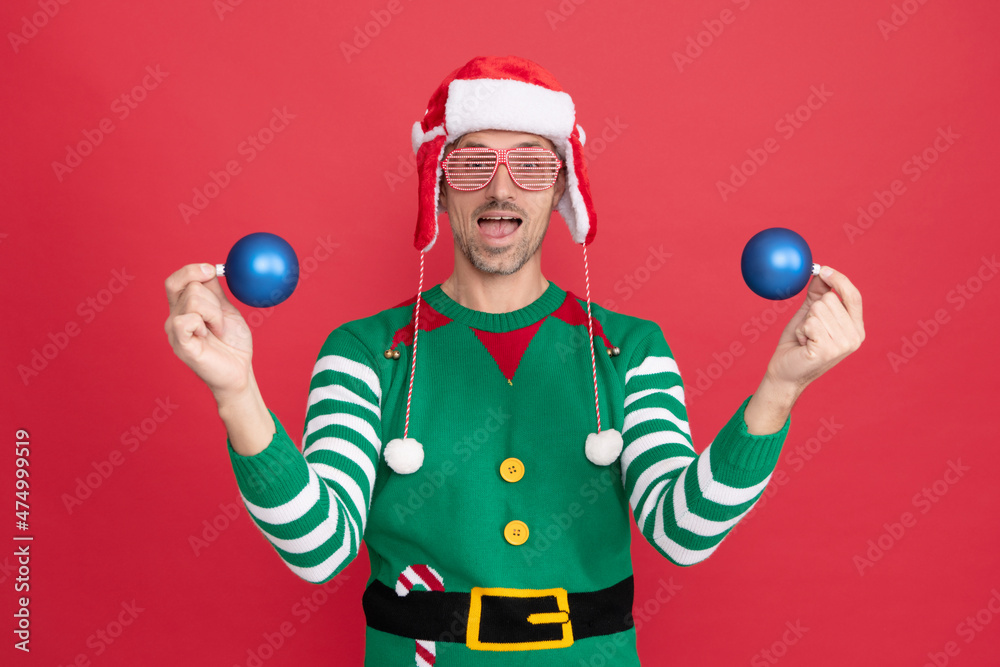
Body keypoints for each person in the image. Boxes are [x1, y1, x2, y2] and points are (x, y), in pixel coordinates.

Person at [164, 56, 865, 666]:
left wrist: (780, 388)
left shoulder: (631, 349)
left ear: (561, 189)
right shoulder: (365, 352)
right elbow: (318, 548)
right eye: (473, 163)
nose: (502, 189)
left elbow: (682, 532)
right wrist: (236, 392)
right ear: (438, 186)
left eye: (531, 163)